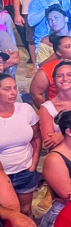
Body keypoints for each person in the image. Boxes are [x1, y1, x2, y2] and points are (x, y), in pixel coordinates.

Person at [0, 74, 40, 219]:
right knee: (6, 215)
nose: (13, 92)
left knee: (25, 211)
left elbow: (36, 137)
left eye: (15, 88)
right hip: (2, 176)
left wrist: (34, 162)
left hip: (25, 169)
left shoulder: (25, 109)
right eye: (7, 89)